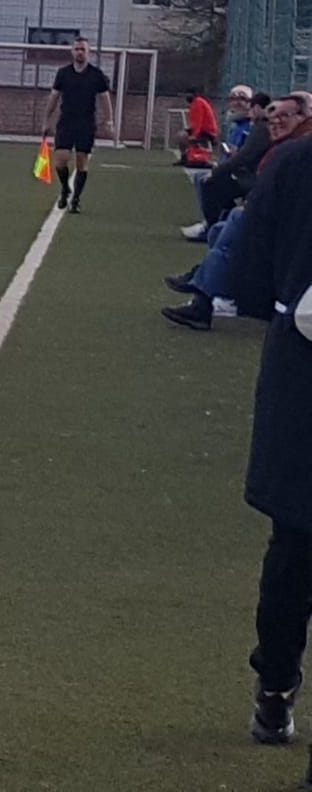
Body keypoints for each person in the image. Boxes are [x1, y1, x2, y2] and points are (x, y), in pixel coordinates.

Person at [227, 124, 312, 768]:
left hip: (299, 372)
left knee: (294, 546)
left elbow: (250, 268)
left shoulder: (293, 163)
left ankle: (276, 689)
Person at [163, 94, 312, 330]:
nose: (275, 122)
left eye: (284, 116)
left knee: (234, 221)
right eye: (272, 118)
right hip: (277, 221)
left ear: (304, 117)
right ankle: (208, 296)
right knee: (222, 228)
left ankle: (203, 293)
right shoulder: (283, 145)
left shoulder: (298, 150)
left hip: (292, 233)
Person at [182, 91, 274, 238]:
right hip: (252, 173)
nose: (249, 114)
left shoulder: (262, 128)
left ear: (256, 108)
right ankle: (221, 222)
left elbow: (243, 157)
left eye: (250, 109)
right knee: (209, 180)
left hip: (253, 177)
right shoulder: (261, 127)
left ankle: (213, 227)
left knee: (209, 182)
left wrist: (217, 172)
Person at [40, 36, 113, 214]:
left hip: (86, 122)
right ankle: (65, 188)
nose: (80, 52)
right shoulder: (63, 73)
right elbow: (54, 97)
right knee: (61, 160)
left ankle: (76, 199)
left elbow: (105, 99)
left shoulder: (96, 75)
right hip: (67, 121)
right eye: (77, 49)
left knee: (82, 161)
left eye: (83, 49)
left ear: (88, 52)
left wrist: (109, 120)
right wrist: (46, 120)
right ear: (72, 52)